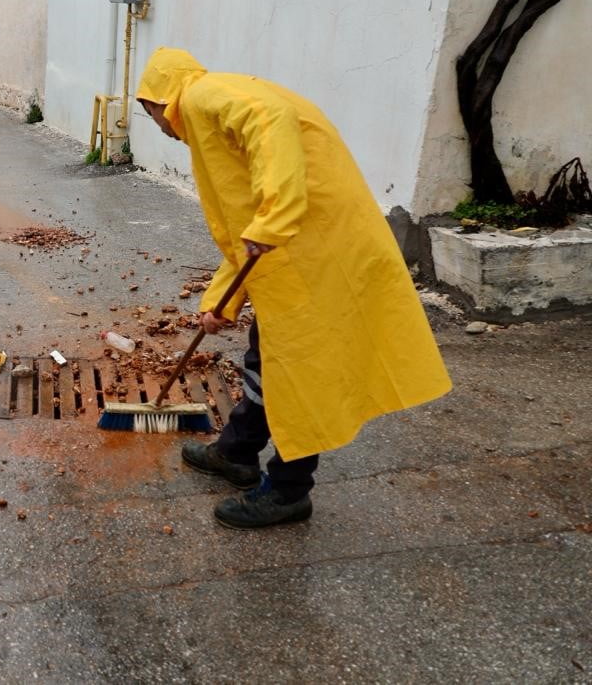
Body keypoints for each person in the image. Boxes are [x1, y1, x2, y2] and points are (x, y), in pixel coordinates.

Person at [134, 48, 452, 529]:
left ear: (158, 99)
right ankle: (237, 451)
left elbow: (267, 118)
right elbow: (238, 224)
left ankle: (288, 491)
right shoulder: (205, 115)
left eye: (148, 111)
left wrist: (275, 214)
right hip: (292, 256)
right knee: (268, 358)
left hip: (316, 255)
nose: (155, 123)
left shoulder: (202, 95)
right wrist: (220, 302)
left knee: (300, 372)